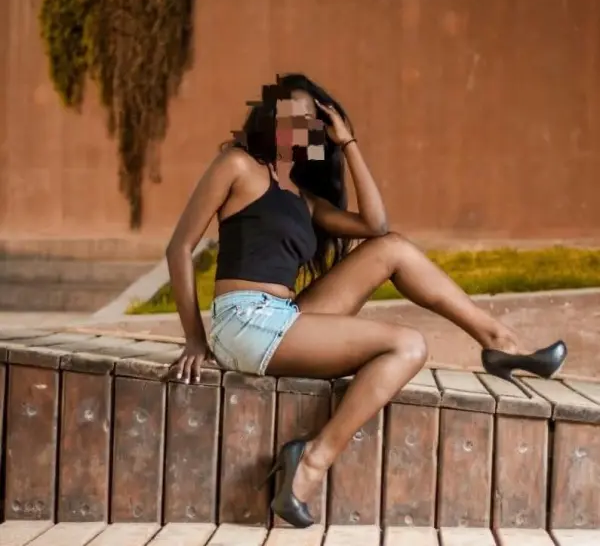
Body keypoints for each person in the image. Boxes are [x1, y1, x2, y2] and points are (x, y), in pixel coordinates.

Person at [165, 73, 567, 528]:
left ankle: (499, 342)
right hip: (244, 321)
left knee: (392, 248)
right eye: (292, 114)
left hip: (283, 317)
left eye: (312, 121)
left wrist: (349, 143)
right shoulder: (237, 165)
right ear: (271, 114)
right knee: (408, 345)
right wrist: (195, 339)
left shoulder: (305, 200)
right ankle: (311, 461)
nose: (301, 126)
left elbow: (376, 226)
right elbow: (179, 248)